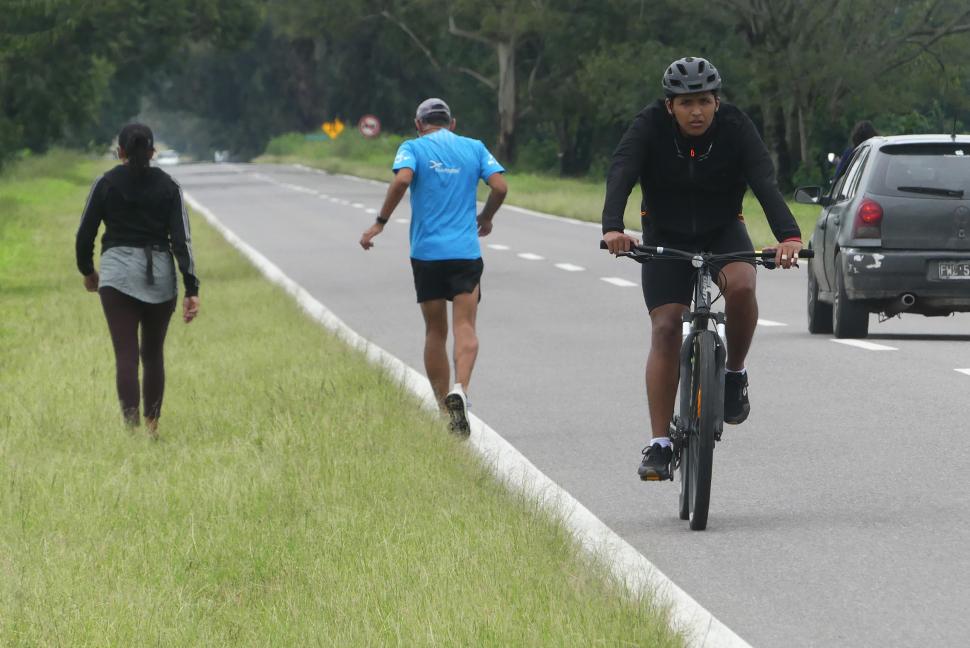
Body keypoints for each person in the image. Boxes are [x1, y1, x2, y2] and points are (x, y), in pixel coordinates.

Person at [601, 57, 803, 480]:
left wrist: (789, 236)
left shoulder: (734, 126)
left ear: (717, 102)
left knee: (744, 286)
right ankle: (659, 444)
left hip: (722, 229)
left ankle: (734, 374)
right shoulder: (649, 125)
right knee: (666, 326)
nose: (697, 111)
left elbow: (764, 180)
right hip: (664, 232)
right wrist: (613, 228)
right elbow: (622, 170)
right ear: (670, 105)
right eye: (687, 102)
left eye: (705, 102)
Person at [359, 98, 507, 436]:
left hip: (426, 254)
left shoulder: (412, 148)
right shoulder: (474, 147)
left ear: (418, 124)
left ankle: (444, 411)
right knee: (465, 326)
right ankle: (462, 389)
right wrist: (485, 217)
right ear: (452, 123)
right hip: (465, 252)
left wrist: (380, 222)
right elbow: (500, 186)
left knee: (435, 332)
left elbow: (401, 181)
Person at [75, 123, 200, 439]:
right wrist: (191, 288)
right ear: (152, 152)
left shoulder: (105, 184)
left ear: (120, 153)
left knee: (126, 356)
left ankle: (130, 431)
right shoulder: (170, 187)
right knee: (153, 354)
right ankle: (152, 426)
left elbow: (84, 235)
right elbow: (182, 240)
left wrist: (88, 272)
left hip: (116, 276)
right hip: (159, 273)